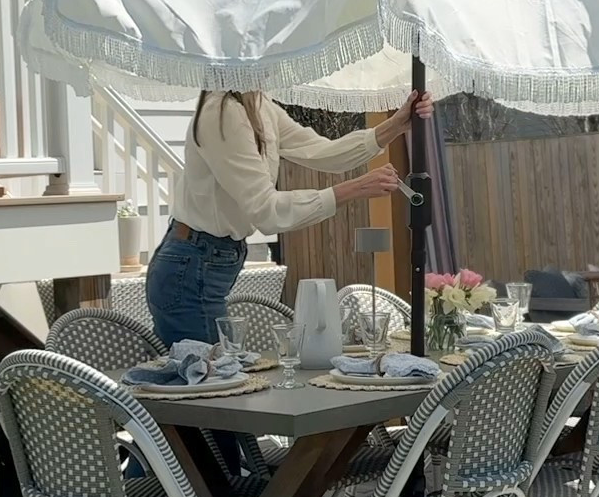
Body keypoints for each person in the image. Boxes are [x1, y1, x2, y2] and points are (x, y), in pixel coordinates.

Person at [146, 88, 433, 347]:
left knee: (215, 386)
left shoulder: (257, 102)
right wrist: (355, 188)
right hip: (192, 268)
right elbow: (266, 211)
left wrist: (394, 125)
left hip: (207, 261)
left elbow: (321, 151)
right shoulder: (222, 114)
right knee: (208, 392)